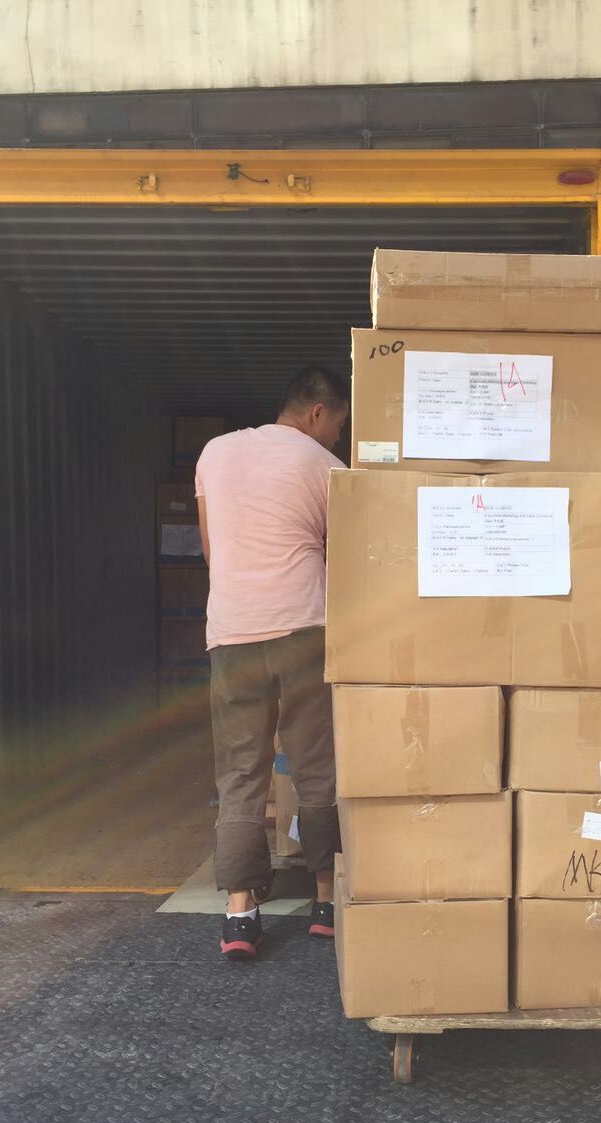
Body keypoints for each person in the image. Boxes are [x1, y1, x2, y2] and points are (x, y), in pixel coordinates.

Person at [195, 366, 349, 960]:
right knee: (316, 764)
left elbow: (212, 550)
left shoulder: (215, 453)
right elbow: (344, 558)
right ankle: (327, 899)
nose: (336, 436)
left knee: (240, 772)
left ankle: (240, 913)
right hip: (304, 629)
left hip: (231, 632)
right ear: (318, 413)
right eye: (338, 424)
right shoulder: (326, 466)